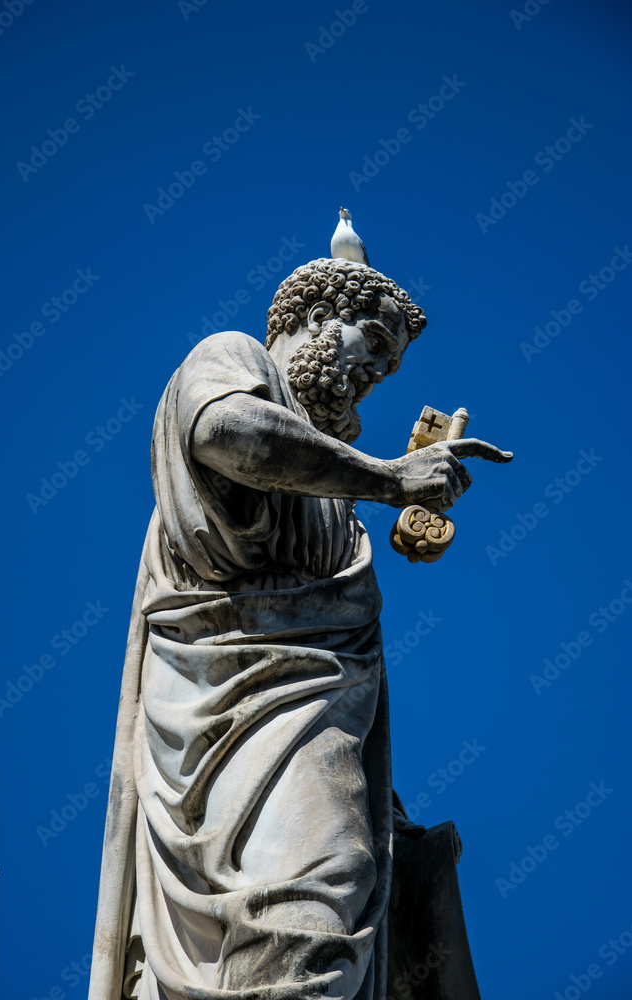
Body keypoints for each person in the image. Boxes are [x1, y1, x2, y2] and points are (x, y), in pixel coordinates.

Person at [88, 257, 511, 1000]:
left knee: (359, 885)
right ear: (313, 315)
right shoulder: (232, 357)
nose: (376, 371)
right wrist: (387, 479)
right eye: (372, 341)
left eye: (389, 363)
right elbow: (226, 433)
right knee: (317, 896)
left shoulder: (334, 504)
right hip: (227, 714)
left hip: (319, 723)